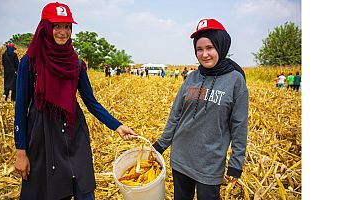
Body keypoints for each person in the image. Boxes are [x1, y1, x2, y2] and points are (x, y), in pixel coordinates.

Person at [13, 2, 137, 200]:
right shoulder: (30, 62)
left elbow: (91, 102)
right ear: (45, 27)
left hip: (74, 133)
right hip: (43, 136)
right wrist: (21, 152)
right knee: (49, 192)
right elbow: (20, 108)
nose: (63, 32)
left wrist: (117, 126)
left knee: (84, 189)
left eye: (67, 26)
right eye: (57, 26)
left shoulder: (76, 63)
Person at [152, 18, 248, 200]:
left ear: (221, 46)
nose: (204, 54)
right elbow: (176, 115)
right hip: (181, 158)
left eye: (210, 48)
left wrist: (236, 162)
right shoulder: (191, 78)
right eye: (199, 49)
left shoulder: (236, 81)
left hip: (209, 164)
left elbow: (239, 125)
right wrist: (160, 145)